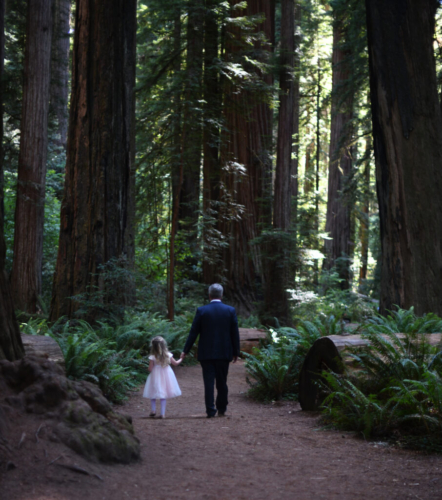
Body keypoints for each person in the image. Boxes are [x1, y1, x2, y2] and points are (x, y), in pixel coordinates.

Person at [181, 283, 240, 418]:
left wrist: (185, 350)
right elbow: (234, 333)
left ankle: (210, 410)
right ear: (222, 295)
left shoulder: (202, 311)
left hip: (206, 353)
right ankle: (222, 408)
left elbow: (193, 332)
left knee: (208, 382)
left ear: (209, 295)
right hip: (224, 353)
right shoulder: (230, 310)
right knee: (222, 381)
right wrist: (236, 351)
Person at [143, 336, 182, 418]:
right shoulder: (168, 355)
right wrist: (181, 358)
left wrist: (148, 368)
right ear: (164, 345)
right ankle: (162, 414)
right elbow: (175, 363)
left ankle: (153, 410)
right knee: (163, 393)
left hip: (155, 374)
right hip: (166, 374)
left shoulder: (153, 356)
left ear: (153, 346)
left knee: (153, 391)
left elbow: (150, 369)